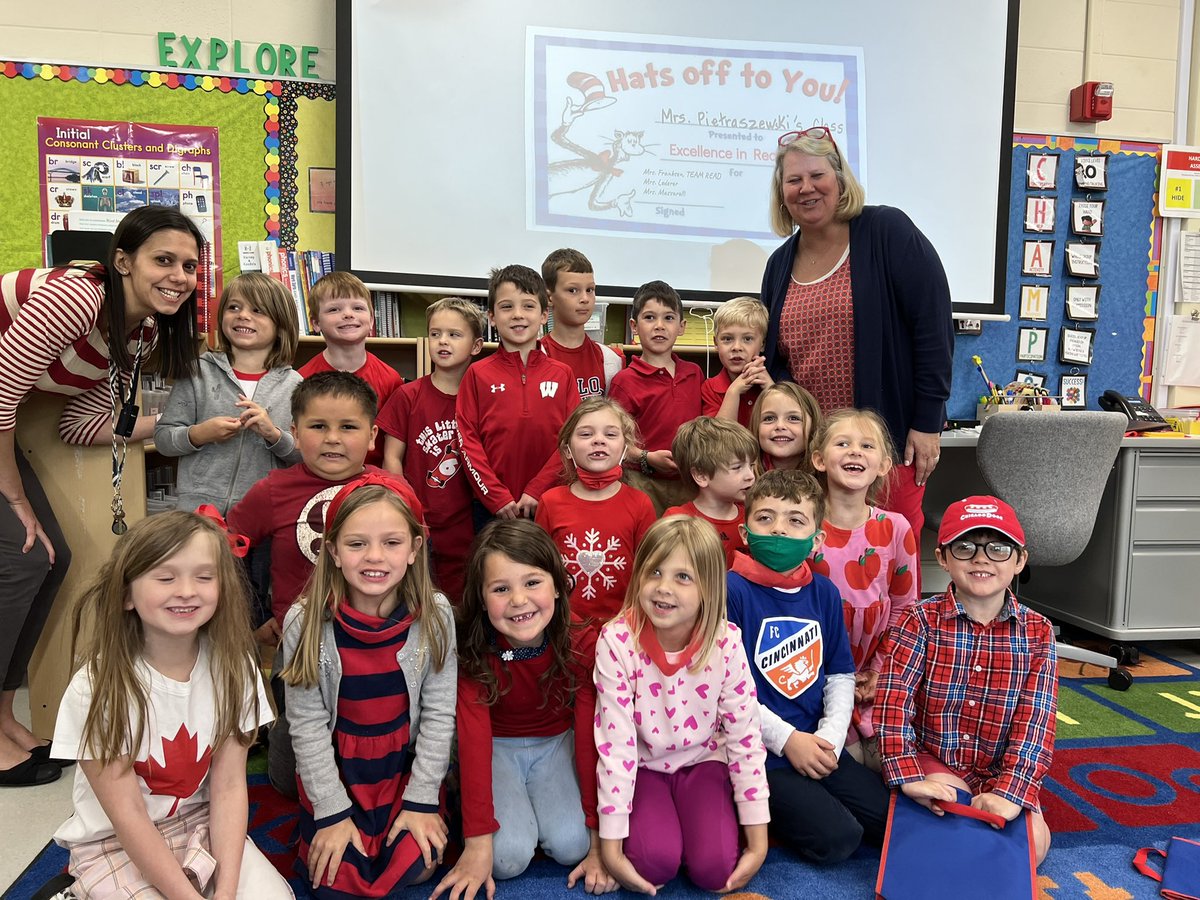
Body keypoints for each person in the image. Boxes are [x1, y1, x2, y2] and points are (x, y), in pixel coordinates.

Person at [0, 205, 205, 787]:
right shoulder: (76, 297)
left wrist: (191, 428)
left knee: (50, 558)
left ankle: (4, 716)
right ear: (122, 262)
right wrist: (15, 499)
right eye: (163, 260)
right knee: (20, 555)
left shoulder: (139, 333)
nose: (179, 277)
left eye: (190, 266)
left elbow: (82, 425)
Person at [50, 510, 288, 898]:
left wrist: (225, 892)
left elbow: (228, 787)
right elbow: (128, 815)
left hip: (200, 823)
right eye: (165, 578)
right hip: (114, 842)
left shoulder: (234, 666)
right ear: (126, 594)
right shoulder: (96, 687)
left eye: (205, 577)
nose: (187, 590)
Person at [759, 126, 954, 545]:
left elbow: (932, 326)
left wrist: (928, 421)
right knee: (818, 556)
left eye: (817, 175)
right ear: (781, 193)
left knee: (889, 551)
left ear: (840, 179)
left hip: (886, 445)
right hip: (814, 454)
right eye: (793, 180)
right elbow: (780, 364)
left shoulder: (886, 231)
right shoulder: (778, 265)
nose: (806, 188)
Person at [278, 475, 456, 896]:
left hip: (400, 772)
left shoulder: (435, 614)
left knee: (419, 866)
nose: (374, 556)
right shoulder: (304, 621)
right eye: (357, 544)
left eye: (392, 543)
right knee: (331, 881)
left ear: (414, 549)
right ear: (333, 552)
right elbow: (307, 727)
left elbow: (439, 714)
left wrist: (420, 800)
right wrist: (331, 813)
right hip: (339, 773)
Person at [433, 520, 614, 900]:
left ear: (558, 586)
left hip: (557, 743)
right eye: (501, 589)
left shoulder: (582, 639)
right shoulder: (471, 647)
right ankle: (467, 799)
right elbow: (473, 739)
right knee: (506, 859)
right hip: (495, 747)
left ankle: (542, 815)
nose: (518, 600)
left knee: (573, 845)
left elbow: (589, 739)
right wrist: (477, 841)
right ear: (482, 597)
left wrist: (599, 843)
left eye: (532, 582)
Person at [875, 496, 1056, 865]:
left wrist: (1011, 791)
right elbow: (893, 704)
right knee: (950, 820)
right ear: (943, 557)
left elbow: (1036, 723)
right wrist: (907, 774)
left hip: (999, 768)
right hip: (934, 758)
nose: (981, 559)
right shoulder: (918, 620)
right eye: (965, 547)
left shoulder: (1038, 631)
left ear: (1019, 560)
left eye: (998, 548)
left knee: (1034, 849)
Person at [594, 515, 769, 895]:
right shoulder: (616, 641)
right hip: (643, 768)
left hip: (704, 762)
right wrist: (610, 849)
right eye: (654, 572)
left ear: (708, 588)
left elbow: (745, 738)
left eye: (683, 577)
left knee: (715, 871)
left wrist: (758, 843)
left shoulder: (725, 642)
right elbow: (616, 746)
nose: (663, 588)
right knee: (653, 863)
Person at [726, 469, 889, 864]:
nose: (779, 529)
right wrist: (787, 741)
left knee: (889, 821)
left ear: (817, 540)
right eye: (765, 517)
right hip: (758, 751)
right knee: (839, 839)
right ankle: (746, 808)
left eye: (795, 520)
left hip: (817, 741)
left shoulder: (823, 592)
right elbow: (724, 690)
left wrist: (830, 739)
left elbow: (839, 673)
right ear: (745, 532)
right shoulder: (731, 590)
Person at [155, 272, 303, 645]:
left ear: (281, 323)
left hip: (260, 524)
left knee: (249, 612)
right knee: (196, 604)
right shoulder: (197, 372)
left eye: (257, 310)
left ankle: (242, 672)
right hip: (197, 516)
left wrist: (273, 434)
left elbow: (303, 457)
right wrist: (199, 434)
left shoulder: (295, 386)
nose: (243, 316)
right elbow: (164, 438)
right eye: (234, 307)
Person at [226, 371, 422, 626]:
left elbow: (420, 561)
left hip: (384, 637)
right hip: (299, 636)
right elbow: (227, 552)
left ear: (372, 436)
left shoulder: (396, 490)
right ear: (296, 434)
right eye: (318, 426)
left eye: (348, 427)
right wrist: (257, 617)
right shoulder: (272, 490)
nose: (332, 439)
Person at [808, 409, 918, 770]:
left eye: (867, 446)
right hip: (814, 672)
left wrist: (879, 669)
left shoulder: (896, 528)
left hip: (875, 671)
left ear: (883, 465)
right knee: (839, 762)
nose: (855, 451)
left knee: (889, 763)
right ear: (819, 460)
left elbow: (905, 608)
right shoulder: (801, 528)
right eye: (843, 443)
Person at [380, 297, 485, 604]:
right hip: (417, 520)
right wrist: (406, 510)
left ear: (476, 346)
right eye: (435, 333)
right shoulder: (407, 396)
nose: (443, 341)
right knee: (415, 602)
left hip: (466, 524)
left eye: (454, 334)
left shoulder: (483, 401)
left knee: (461, 605)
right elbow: (391, 459)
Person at [456, 265, 580, 524]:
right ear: (491, 317)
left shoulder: (563, 374)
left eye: (528, 306)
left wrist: (538, 489)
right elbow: (467, 442)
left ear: (544, 315)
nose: (517, 315)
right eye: (506, 307)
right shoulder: (477, 374)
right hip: (491, 507)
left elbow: (573, 439)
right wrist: (495, 496)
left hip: (550, 501)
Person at [534, 398, 656, 624]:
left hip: (622, 628)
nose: (599, 440)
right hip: (564, 626)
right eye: (586, 434)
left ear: (626, 449)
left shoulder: (640, 504)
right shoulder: (550, 502)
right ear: (567, 450)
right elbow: (540, 569)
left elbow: (648, 571)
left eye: (610, 434)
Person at [608, 280, 703, 514]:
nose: (659, 326)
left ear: (681, 327)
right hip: (642, 482)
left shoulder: (694, 373)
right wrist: (647, 457)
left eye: (668, 318)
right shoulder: (624, 381)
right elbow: (615, 440)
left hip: (689, 482)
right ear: (634, 326)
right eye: (649, 317)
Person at [299, 271, 404, 469]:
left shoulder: (391, 379)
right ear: (315, 323)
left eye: (358, 308)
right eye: (334, 309)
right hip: (319, 476)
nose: (348, 314)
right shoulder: (301, 379)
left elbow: (393, 448)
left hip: (372, 479)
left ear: (371, 320)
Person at [664, 416, 758, 569]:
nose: (750, 476)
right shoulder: (677, 521)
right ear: (701, 475)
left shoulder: (754, 519)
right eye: (737, 467)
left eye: (751, 466)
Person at [540, 248, 623, 399]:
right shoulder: (535, 355)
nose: (585, 298)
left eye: (590, 290)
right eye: (573, 290)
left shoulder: (609, 360)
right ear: (549, 297)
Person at [700, 296, 773, 428]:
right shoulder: (709, 388)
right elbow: (719, 437)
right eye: (727, 339)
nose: (737, 347)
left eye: (747, 339)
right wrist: (733, 392)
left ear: (762, 344)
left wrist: (770, 388)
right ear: (716, 343)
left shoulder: (774, 381)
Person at [749, 382, 823, 474]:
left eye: (793, 418)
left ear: (813, 426)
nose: (780, 426)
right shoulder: (744, 477)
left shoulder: (828, 476)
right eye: (769, 418)